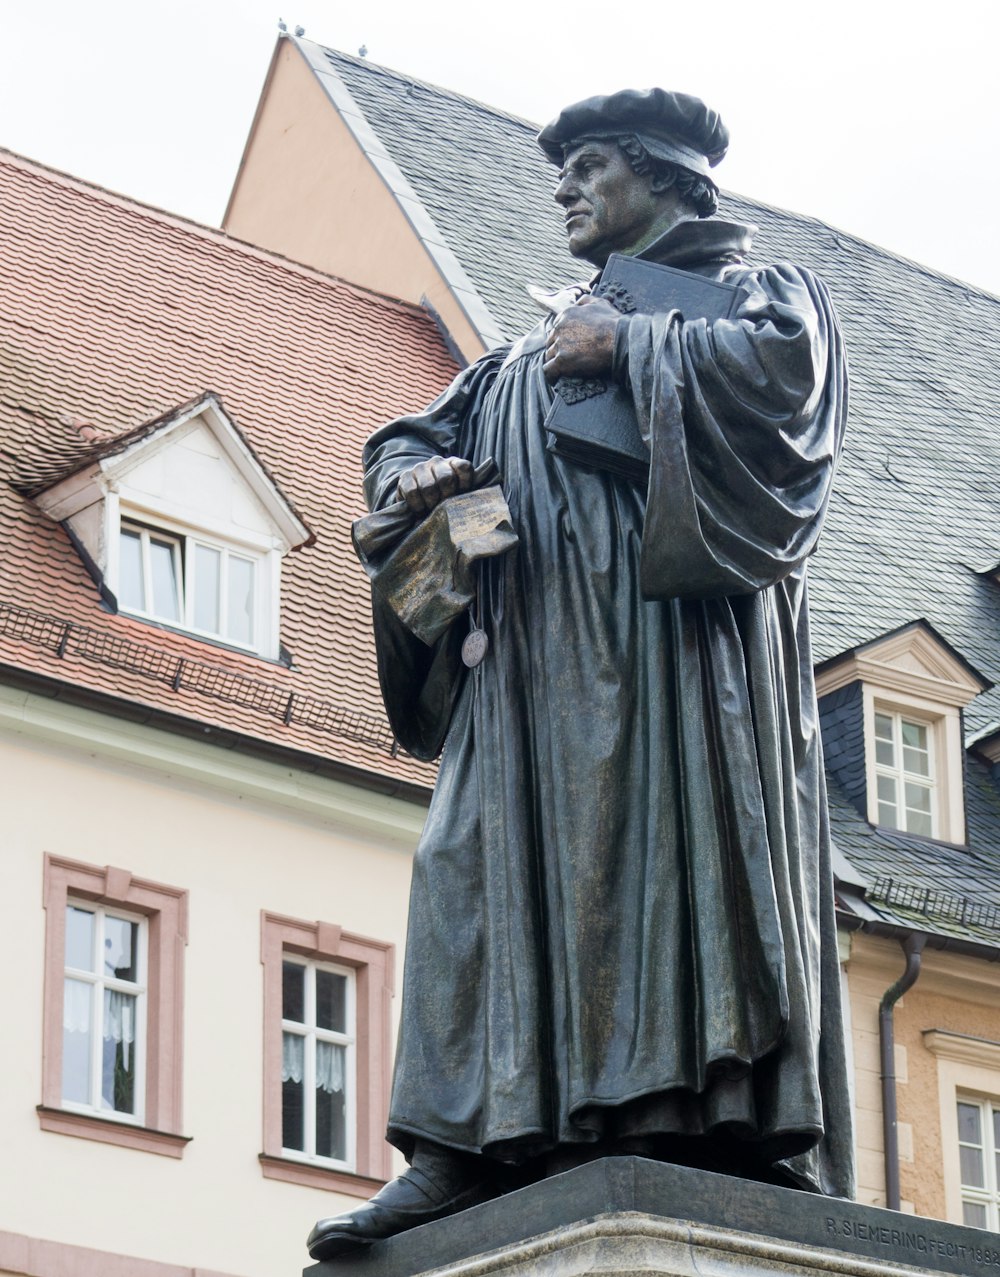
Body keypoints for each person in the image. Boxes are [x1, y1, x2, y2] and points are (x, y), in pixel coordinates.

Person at [308, 87, 854, 1261]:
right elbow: (404, 434)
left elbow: (786, 391)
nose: (563, 188)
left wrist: (635, 342)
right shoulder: (518, 352)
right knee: (464, 869)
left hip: (673, 673)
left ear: (664, 178)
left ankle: (717, 1117)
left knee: (671, 869)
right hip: (524, 680)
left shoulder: (750, 294)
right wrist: (412, 476)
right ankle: (459, 1145)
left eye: (590, 165)